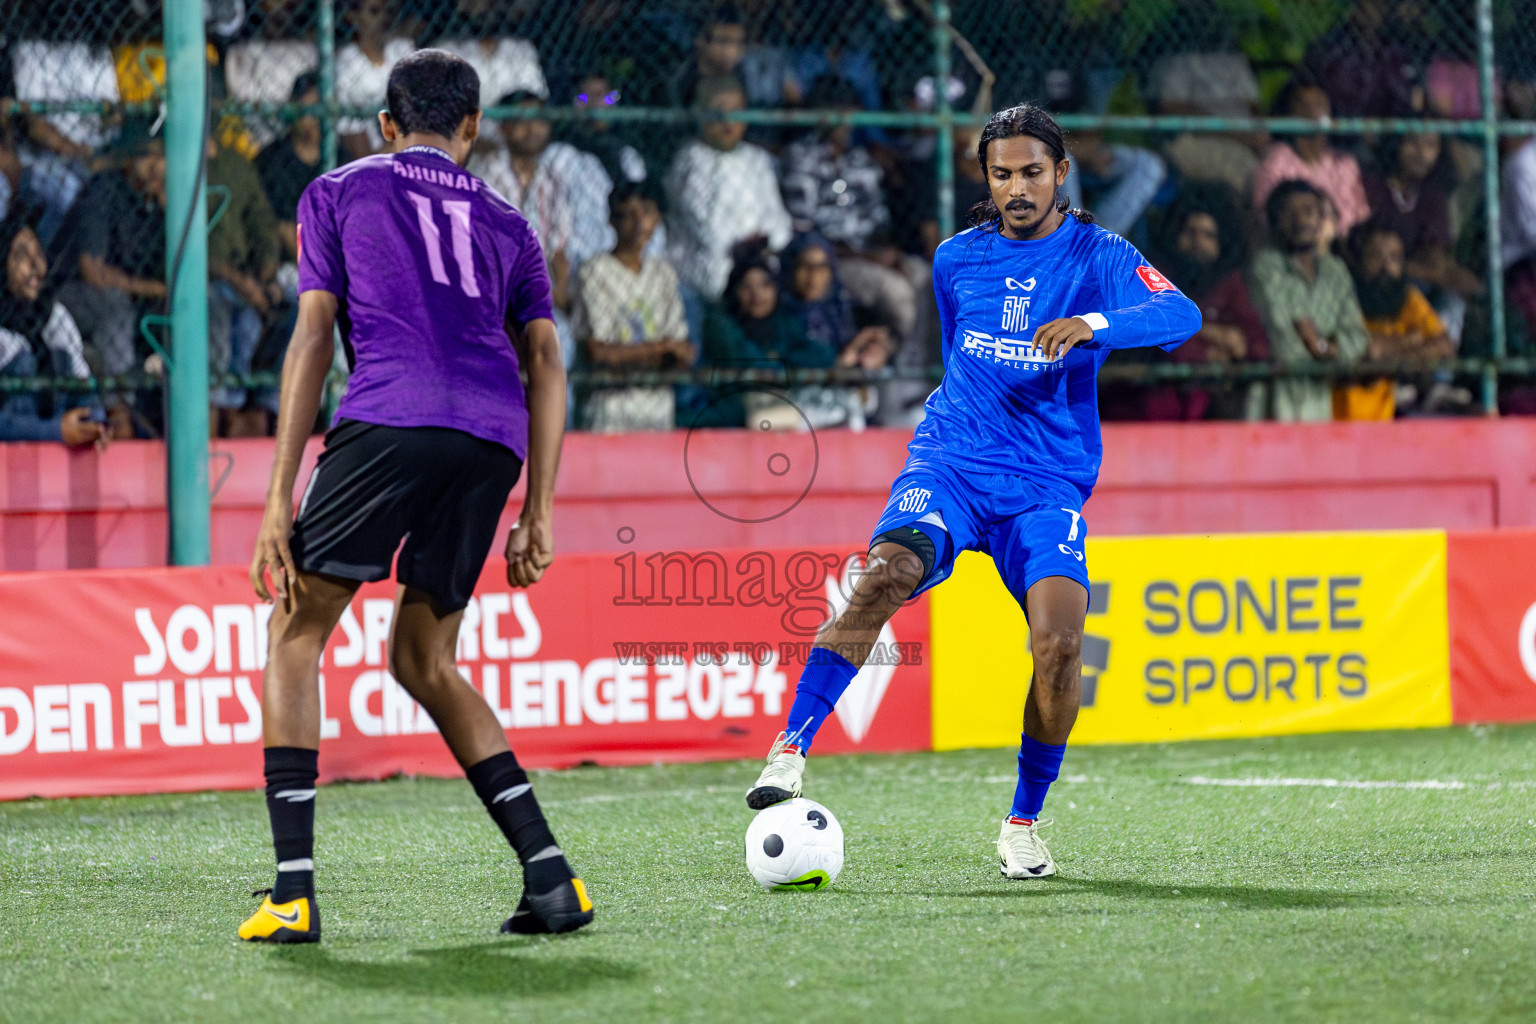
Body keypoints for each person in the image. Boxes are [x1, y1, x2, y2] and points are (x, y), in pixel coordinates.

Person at [743, 105, 1200, 882]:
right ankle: (790, 749)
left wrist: (1092, 323)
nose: (1017, 187)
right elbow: (961, 354)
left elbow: (1179, 314)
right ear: (985, 178)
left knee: (1060, 649)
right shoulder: (955, 259)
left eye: (1031, 171)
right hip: (951, 464)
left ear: (1060, 172)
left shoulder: (1099, 252)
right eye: (1002, 173)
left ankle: (1023, 824)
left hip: (1044, 486)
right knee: (885, 575)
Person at [241, 49, 590, 943]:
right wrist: (539, 507)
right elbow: (546, 362)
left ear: (385, 125)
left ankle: (291, 894)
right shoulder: (511, 224)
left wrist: (277, 497)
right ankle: (553, 881)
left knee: (294, 631)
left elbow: (313, 337)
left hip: (393, 416)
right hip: (491, 440)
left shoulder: (336, 190)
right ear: (473, 128)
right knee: (424, 660)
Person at [49, 117, 167, 434]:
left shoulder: (160, 199)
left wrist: (168, 208)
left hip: (131, 298)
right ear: (127, 159)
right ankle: (119, 414)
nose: (155, 165)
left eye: (160, 155)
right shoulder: (105, 188)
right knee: (115, 308)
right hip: (68, 295)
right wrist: (154, 289)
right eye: (146, 156)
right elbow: (92, 270)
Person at [573, 181, 691, 432]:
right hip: (610, 404)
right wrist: (660, 349)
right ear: (612, 222)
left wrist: (629, 354)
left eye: (646, 212)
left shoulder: (663, 274)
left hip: (657, 405)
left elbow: (682, 353)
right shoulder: (595, 271)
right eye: (628, 214)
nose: (638, 222)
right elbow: (599, 353)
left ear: (657, 218)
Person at [1146, 185, 1270, 420]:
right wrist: (1211, 345)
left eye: (1208, 235)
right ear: (1175, 235)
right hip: (1158, 415)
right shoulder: (1153, 275)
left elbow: (1256, 345)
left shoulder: (1230, 282)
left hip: (1218, 416)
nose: (1197, 243)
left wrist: (1235, 348)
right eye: (1190, 232)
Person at [1248, 180, 1369, 421]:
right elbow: (1283, 339)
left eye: (1309, 211)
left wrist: (1323, 346)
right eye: (1289, 212)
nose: (1300, 219)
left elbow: (1358, 338)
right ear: (1275, 220)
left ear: (1321, 219)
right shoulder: (1265, 266)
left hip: (1319, 399)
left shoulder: (1336, 271)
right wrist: (1330, 354)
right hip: (1274, 397)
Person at [665, 75, 792, 301]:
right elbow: (707, 227)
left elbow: (778, 218)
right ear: (700, 114)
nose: (728, 121)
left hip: (759, 264)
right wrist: (747, 244)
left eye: (736, 111)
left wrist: (768, 240)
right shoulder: (691, 160)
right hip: (708, 273)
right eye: (718, 112)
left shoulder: (756, 158)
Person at [0, 209, 106, 446]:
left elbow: (83, 384)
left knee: (62, 357)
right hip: (10, 453)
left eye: (39, 253)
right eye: (20, 256)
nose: (36, 265)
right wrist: (54, 431)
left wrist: (95, 421)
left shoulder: (53, 315)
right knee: (23, 360)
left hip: (52, 440)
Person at [206, 131, 282, 436]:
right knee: (216, 310)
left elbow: (262, 220)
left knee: (305, 306)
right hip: (207, 280)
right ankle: (220, 418)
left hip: (245, 278)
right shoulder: (176, 164)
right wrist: (242, 284)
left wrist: (266, 273)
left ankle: (254, 414)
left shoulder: (235, 165)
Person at [1341, 221, 1455, 420]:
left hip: (1389, 416)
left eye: (1394, 258)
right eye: (1375, 256)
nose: (1385, 266)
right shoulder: (1344, 297)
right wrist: (1408, 340)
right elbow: (1369, 349)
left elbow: (1445, 346)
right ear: (1359, 261)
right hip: (1345, 418)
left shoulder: (1407, 297)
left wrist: (1393, 353)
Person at [1251, 74, 1371, 240]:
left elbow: (1358, 216)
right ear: (1289, 113)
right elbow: (1266, 216)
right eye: (1302, 104)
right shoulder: (1276, 160)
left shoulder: (1344, 163)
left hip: (1341, 247)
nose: (1312, 111)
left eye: (1319, 104)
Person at [334, 0, 417, 161]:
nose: (384, 18)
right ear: (353, 17)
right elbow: (360, 152)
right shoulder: (346, 63)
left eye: (388, 11)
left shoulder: (402, 49)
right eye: (374, 11)